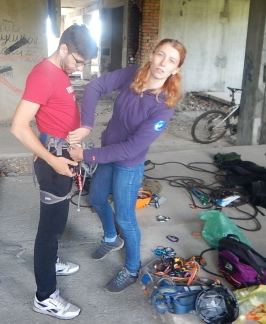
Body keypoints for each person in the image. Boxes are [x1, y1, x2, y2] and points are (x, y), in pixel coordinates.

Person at [67, 38, 186, 293]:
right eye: (160, 55)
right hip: (107, 153)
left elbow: (131, 148)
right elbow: (94, 87)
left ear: (176, 69)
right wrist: (86, 125)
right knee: (96, 198)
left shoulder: (164, 107)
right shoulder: (134, 74)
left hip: (128, 164)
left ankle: (132, 269)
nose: (163, 63)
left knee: (125, 217)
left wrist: (86, 155)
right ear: (152, 55)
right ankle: (111, 238)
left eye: (171, 61)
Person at [10, 24, 98, 319]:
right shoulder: (43, 75)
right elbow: (18, 126)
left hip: (64, 156)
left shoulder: (60, 71)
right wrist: (52, 160)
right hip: (54, 162)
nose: (80, 69)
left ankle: (52, 262)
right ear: (63, 49)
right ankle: (45, 297)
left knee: (58, 222)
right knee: (49, 231)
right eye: (79, 62)